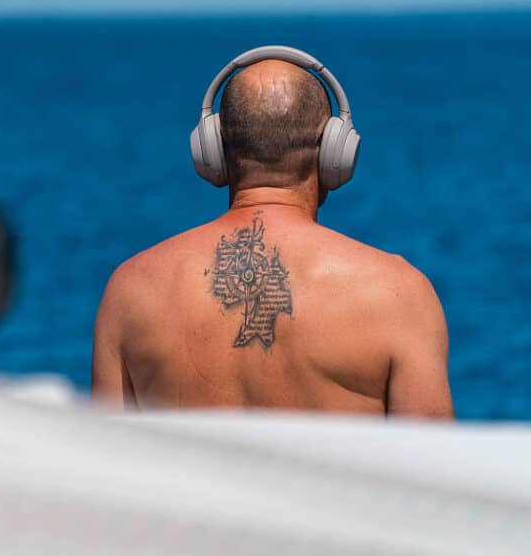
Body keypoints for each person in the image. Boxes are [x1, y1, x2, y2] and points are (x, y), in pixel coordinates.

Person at [91, 47, 453, 418]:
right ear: (334, 154)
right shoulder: (399, 297)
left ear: (213, 152)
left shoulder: (131, 291)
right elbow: (434, 470)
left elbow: (101, 463)